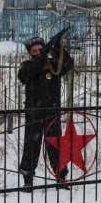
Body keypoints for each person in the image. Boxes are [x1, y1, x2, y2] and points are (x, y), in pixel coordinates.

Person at [18, 35, 74, 191]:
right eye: (34, 51)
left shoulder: (53, 65)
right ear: (30, 53)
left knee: (55, 145)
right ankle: (28, 179)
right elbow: (24, 76)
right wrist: (41, 57)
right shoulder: (27, 66)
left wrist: (56, 47)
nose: (37, 52)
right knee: (31, 146)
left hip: (52, 112)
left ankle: (61, 177)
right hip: (34, 112)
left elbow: (68, 64)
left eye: (40, 49)